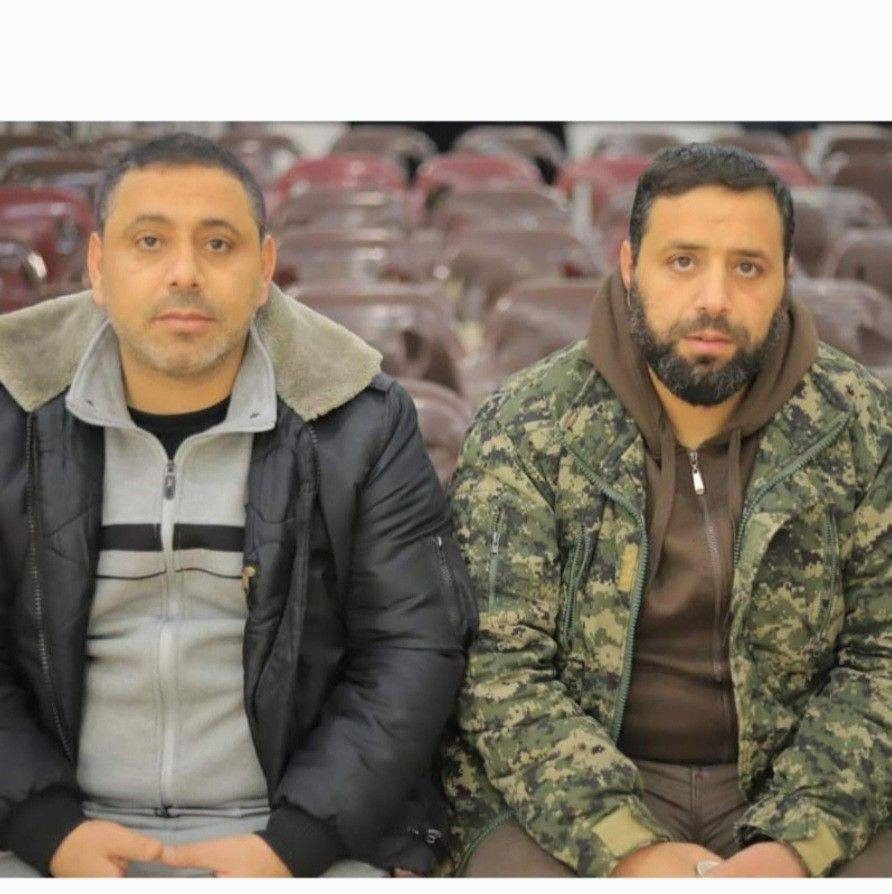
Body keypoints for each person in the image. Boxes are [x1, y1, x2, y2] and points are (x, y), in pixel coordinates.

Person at [0, 133, 475, 878]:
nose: (184, 273)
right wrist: (48, 830)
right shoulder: (13, 412)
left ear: (263, 270)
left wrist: (292, 843)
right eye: (149, 241)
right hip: (46, 836)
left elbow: (412, 650)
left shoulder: (358, 421)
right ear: (97, 267)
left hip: (302, 839)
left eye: (218, 244)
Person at [441, 143, 890, 877]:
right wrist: (625, 843)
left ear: (785, 278)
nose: (715, 298)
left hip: (805, 773)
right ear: (629, 266)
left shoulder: (863, 424)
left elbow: (882, 659)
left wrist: (796, 843)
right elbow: (498, 669)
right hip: (569, 786)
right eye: (683, 262)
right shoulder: (527, 425)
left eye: (748, 268)